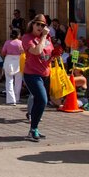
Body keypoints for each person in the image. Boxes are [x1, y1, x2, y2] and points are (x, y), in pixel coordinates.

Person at [21, 14, 53, 142]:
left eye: (43, 25)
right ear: (32, 24)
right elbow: (36, 51)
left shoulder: (47, 38)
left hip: (45, 73)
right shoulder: (27, 38)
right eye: (38, 24)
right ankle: (33, 128)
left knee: (40, 102)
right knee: (42, 100)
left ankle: (34, 129)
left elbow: (47, 53)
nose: (40, 27)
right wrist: (44, 36)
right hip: (31, 74)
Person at [1, 29, 25, 106]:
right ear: (18, 35)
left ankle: (11, 100)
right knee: (18, 81)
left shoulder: (7, 42)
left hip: (9, 60)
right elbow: (24, 52)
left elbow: (3, 52)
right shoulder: (21, 43)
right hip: (19, 61)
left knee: (9, 81)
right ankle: (17, 98)